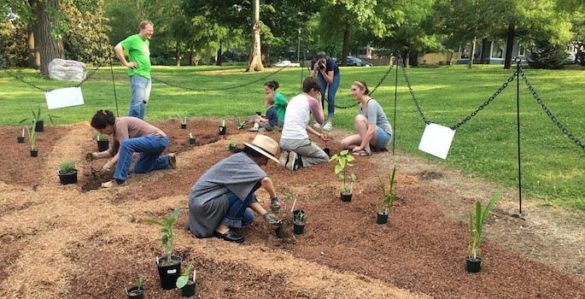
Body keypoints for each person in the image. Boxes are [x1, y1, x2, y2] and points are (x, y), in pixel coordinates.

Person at [188, 135, 282, 243]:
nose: (265, 163)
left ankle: (218, 223)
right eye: (266, 159)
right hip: (205, 203)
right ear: (259, 155)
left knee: (247, 218)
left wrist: (265, 214)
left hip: (202, 202)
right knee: (246, 192)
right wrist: (274, 199)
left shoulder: (241, 158)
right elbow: (266, 181)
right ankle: (222, 229)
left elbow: (245, 194)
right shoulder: (247, 164)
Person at [86, 110, 176, 188]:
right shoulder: (115, 132)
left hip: (158, 139)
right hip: (151, 145)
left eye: (101, 130)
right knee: (140, 168)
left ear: (107, 125)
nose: (102, 133)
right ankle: (168, 160)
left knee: (126, 144)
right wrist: (95, 156)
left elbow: (124, 147)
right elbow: (112, 152)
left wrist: (110, 163)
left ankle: (119, 180)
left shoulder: (120, 124)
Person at [279, 77, 331, 170]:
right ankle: (299, 161)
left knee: (306, 146)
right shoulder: (312, 101)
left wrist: (318, 135)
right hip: (297, 141)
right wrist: (319, 101)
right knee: (324, 157)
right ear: (312, 90)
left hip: (284, 141)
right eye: (317, 92)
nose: (317, 94)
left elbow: (301, 124)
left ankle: (289, 156)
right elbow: (321, 121)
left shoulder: (293, 99)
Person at [114, 20, 154, 120]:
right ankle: (131, 128)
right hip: (138, 75)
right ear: (142, 29)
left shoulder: (146, 42)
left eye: (152, 30)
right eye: (149, 30)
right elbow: (118, 48)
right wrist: (126, 63)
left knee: (143, 103)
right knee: (136, 103)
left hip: (147, 76)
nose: (151, 33)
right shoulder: (133, 39)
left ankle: (139, 126)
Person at [340, 80, 393, 155]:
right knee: (344, 143)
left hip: (384, 136)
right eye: (352, 90)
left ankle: (366, 149)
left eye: (354, 90)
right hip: (374, 135)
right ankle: (371, 147)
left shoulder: (371, 104)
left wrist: (361, 146)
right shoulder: (361, 105)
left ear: (363, 90)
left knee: (359, 118)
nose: (352, 93)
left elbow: (371, 129)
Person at [310, 52, 340, 131]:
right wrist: (315, 69)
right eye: (320, 62)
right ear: (316, 61)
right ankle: (320, 119)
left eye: (323, 61)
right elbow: (311, 79)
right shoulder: (314, 62)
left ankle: (329, 121)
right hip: (321, 75)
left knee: (331, 95)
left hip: (334, 76)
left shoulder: (330, 62)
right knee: (320, 94)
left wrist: (323, 72)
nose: (322, 63)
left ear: (326, 58)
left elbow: (330, 81)